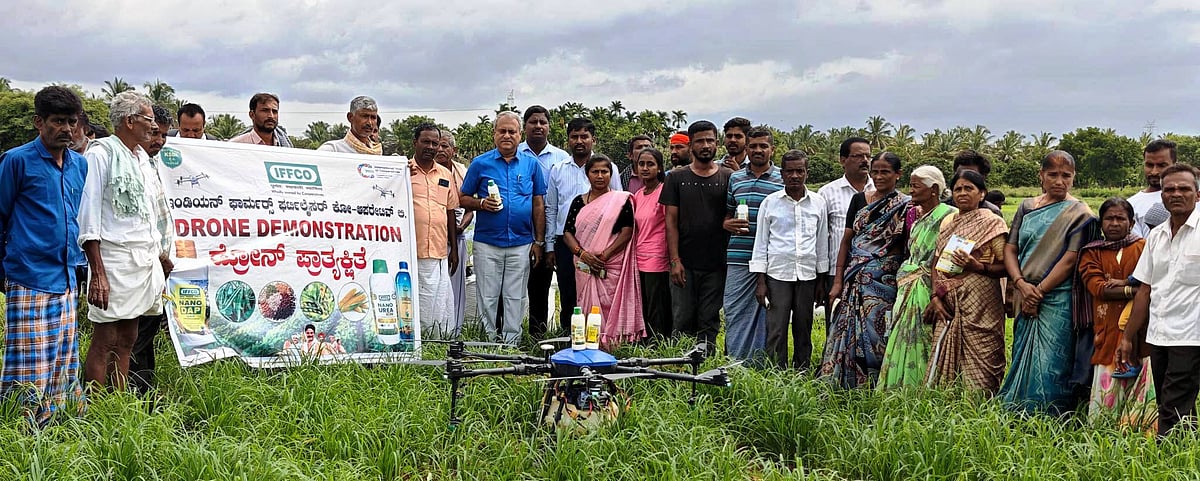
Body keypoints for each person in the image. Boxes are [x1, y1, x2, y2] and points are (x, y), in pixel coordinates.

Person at [0, 86, 88, 426]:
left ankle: (57, 426)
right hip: (29, 276)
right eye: (57, 121)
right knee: (29, 365)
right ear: (39, 122)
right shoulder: (16, 161)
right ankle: (20, 428)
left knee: (63, 361)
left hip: (67, 277)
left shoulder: (79, 165)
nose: (66, 129)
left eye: (71, 121)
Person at [79, 91, 174, 391]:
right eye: (148, 121)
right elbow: (89, 216)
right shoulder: (101, 153)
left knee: (129, 338)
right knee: (106, 338)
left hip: (143, 262)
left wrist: (159, 255)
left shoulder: (142, 158)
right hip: (114, 261)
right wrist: (98, 274)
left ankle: (117, 403)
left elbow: (147, 216)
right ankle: (94, 406)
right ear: (130, 121)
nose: (153, 128)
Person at [1000, 150, 1095, 415]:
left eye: (1066, 176)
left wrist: (1038, 292)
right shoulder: (1026, 207)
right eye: (1052, 175)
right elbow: (1011, 248)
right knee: (1022, 352)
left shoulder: (1080, 213)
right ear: (1041, 176)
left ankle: (1050, 414)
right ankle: (1016, 409)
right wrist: (1021, 284)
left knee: (1053, 359)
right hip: (1024, 290)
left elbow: (1071, 258)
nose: (1059, 181)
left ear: (1074, 178)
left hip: (1057, 296)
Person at [1117, 163, 1200, 437]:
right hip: (1159, 334)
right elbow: (1145, 290)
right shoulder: (1156, 236)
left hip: (1191, 335)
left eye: (1184, 188)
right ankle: (1187, 448)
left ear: (1197, 194)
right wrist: (1127, 337)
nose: (1176, 194)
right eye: (1169, 189)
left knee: (1174, 401)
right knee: (1171, 400)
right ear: (1162, 195)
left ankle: (1165, 460)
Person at [820, 152, 909, 388]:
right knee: (846, 327)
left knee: (878, 331)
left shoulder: (906, 205)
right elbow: (846, 241)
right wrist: (838, 281)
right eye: (875, 171)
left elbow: (907, 247)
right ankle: (844, 381)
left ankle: (875, 382)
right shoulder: (859, 200)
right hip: (854, 277)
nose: (878, 177)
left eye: (885, 172)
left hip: (885, 281)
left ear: (898, 175)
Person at [459, 111, 547, 344]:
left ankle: (511, 343)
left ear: (520, 135)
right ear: (494, 134)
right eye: (502, 131)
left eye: (512, 131)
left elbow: (538, 204)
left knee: (516, 295)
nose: (507, 135)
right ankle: (489, 341)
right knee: (487, 295)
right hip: (488, 241)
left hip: (521, 242)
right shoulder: (480, 164)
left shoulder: (532, 165)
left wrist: (539, 242)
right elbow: (462, 198)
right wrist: (480, 203)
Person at [924, 170, 1009, 393]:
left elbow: (1006, 266)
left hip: (981, 305)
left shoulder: (992, 223)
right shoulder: (947, 223)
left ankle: (979, 402)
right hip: (948, 303)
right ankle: (946, 405)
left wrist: (976, 266)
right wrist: (935, 296)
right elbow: (936, 263)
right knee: (943, 359)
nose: (962, 193)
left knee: (983, 356)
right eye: (958, 189)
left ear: (982, 194)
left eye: (969, 188)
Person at [1077, 198, 1155, 430]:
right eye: (1109, 218)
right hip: (1107, 329)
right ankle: (1103, 432)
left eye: (1121, 218)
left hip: (1142, 330)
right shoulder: (1091, 253)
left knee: (1142, 372)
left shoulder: (1144, 247)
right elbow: (1098, 287)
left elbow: (1153, 283)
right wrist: (1136, 290)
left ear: (1131, 223)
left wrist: (1135, 290)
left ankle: (1140, 433)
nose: (1114, 223)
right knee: (1107, 380)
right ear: (1101, 223)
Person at [877, 165, 956, 388]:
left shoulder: (948, 216)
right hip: (909, 285)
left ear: (933, 189)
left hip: (926, 286)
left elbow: (943, 258)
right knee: (901, 334)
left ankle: (918, 387)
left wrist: (936, 293)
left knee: (921, 336)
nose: (911, 190)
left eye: (915, 186)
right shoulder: (918, 218)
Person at [750, 150, 828, 370]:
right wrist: (761, 281)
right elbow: (761, 242)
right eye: (790, 171)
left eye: (799, 171)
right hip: (777, 275)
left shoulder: (818, 203)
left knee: (804, 327)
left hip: (807, 275)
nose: (795, 176)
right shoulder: (770, 203)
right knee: (777, 328)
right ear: (782, 174)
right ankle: (777, 372)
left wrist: (821, 281)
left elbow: (822, 243)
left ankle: (802, 371)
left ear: (806, 173)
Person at [660, 120, 732, 352]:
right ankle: (679, 366)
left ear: (717, 143)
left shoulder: (729, 177)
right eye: (700, 141)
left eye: (710, 140)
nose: (705, 145)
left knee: (709, 319)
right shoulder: (676, 178)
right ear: (690, 146)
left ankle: (705, 364)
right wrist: (675, 261)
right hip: (684, 262)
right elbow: (670, 222)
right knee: (682, 318)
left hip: (717, 262)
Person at [545, 118, 621, 334]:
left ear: (593, 139)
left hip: (601, 244)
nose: (579, 141)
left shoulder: (608, 168)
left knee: (600, 290)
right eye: (574, 136)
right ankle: (570, 337)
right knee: (569, 291)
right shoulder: (558, 169)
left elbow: (617, 203)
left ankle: (600, 336)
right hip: (566, 242)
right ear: (568, 140)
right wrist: (550, 246)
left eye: (584, 136)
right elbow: (551, 208)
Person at [562, 154, 642, 348]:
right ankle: (589, 343)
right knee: (587, 305)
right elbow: (567, 232)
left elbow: (627, 231)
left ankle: (615, 344)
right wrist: (582, 254)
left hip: (612, 264)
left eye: (604, 171)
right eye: (595, 171)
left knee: (612, 303)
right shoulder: (578, 202)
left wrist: (604, 255)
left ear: (610, 173)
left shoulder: (620, 200)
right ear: (587, 175)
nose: (600, 176)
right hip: (584, 265)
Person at [722, 127, 784, 364]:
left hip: (772, 259)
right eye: (754, 146)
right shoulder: (735, 178)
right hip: (739, 256)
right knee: (735, 311)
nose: (758, 150)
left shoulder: (782, 179)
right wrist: (728, 224)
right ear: (746, 149)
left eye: (763, 146)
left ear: (772, 149)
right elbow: (726, 215)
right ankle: (736, 364)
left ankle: (761, 363)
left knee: (769, 314)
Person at [129, 105, 175, 394]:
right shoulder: (129, 164)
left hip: (158, 267)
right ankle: (131, 394)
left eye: (164, 136)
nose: (158, 140)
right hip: (141, 264)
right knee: (132, 337)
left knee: (145, 333)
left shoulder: (153, 164)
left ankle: (143, 391)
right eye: (155, 133)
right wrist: (158, 254)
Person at [519, 106, 570, 340]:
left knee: (554, 286)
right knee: (523, 288)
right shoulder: (515, 154)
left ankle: (551, 336)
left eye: (542, 122)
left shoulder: (562, 159)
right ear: (524, 126)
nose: (538, 126)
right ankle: (523, 337)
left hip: (553, 233)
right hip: (521, 233)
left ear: (549, 126)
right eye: (533, 122)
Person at [410, 123, 460, 339]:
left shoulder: (445, 174)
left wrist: (454, 249)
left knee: (438, 302)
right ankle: (417, 340)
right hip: (412, 250)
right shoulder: (403, 171)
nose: (431, 147)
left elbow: (450, 212)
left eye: (435, 143)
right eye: (426, 142)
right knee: (416, 299)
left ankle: (437, 340)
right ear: (415, 143)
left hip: (439, 249)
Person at [817, 137, 875, 321]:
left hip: (871, 271)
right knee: (835, 323)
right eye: (858, 156)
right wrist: (822, 274)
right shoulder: (827, 192)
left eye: (868, 156)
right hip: (836, 272)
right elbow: (821, 236)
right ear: (843, 160)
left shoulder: (881, 190)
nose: (864, 160)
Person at [631, 147, 672, 339]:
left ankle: (658, 342)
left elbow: (671, 226)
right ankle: (645, 340)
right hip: (639, 256)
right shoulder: (639, 194)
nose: (645, 168)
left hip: (658, 258)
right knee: (643, 303)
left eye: (650, 164)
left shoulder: (664, 192)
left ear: (660, 168)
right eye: (641, 164)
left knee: (657, 304)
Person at [437, 131, 472, 336]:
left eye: (445, 146)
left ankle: (454, 332)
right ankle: (434, 330)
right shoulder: (423, 170)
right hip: (434, 235)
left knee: (456, 285)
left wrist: (460, 228)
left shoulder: (462, 171)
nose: (440, 150)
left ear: (454, 150)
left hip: (457, 235)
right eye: (437, 146)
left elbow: (469, 207)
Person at [1128, 140, 1175, 237]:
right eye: (1149, 165)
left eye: (1161, 165)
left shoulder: (1192, 198)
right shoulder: (1130, 205)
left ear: (1175, 165)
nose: (1154, 172)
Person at [945, 150, 1002, 216]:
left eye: (970, 175)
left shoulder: (992, 214)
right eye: (960, 174)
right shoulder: (943, 211)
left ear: (983, 178)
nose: (963, 179)